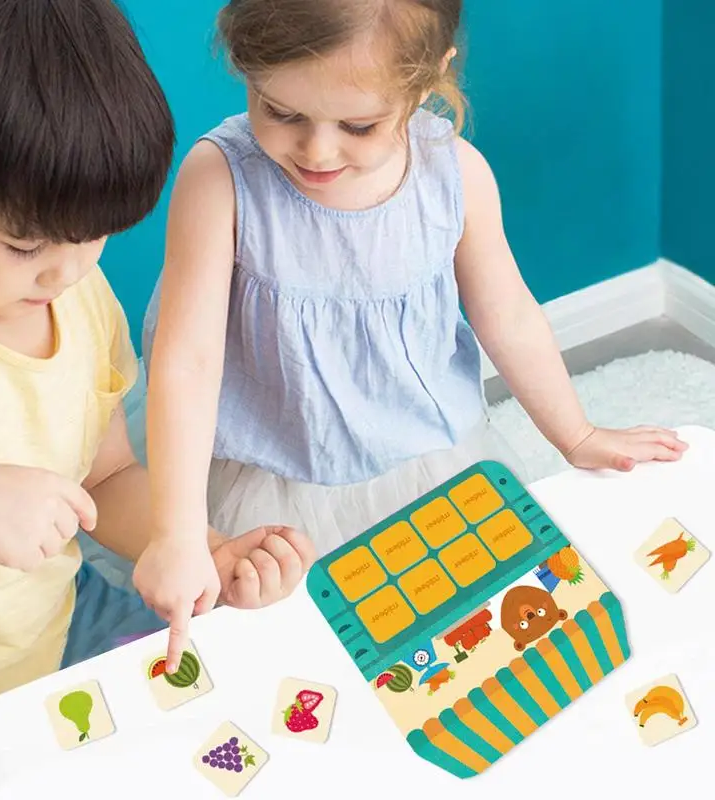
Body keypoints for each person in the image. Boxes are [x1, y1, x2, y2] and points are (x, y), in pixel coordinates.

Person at [137, 0, 687, 671]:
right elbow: (188, 361)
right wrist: (179, 532)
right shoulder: (220, 179)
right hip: (277, 469)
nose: (316, 149)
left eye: (359, 125)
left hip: (424, 456)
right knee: (305, 656)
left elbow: (508, 315)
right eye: (281, 112)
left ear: (428, 80)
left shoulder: (455, 174)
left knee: (449, 635)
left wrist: (575, 433)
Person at [0, 0, 314, 731]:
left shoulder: (75, 294)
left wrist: (201, 549)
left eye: (93, 234)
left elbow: (104, 478)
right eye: (25, 246)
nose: (66, 270)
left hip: (51, 627)